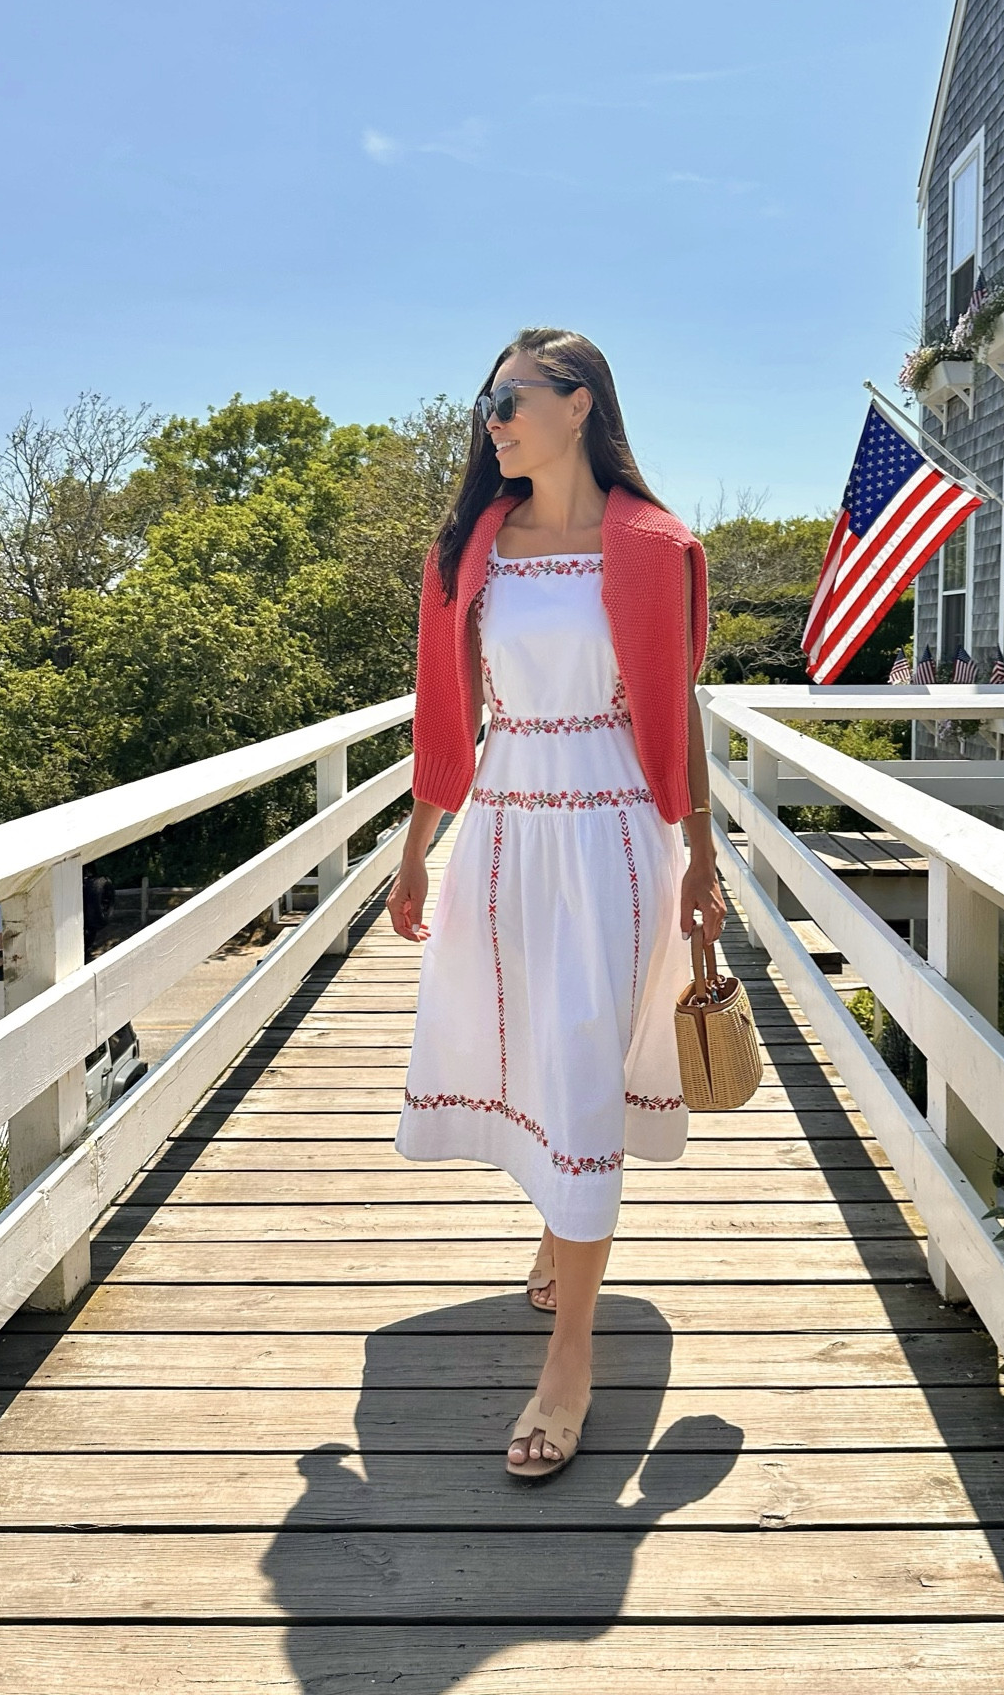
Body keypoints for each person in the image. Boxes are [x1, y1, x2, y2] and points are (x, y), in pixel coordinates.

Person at [385, 327, 727, 1481]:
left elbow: (675, 708)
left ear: (580, 405)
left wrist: (702, 853)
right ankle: (557, 1231)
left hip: (614, 832)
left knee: (584, 1054)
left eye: (509, 398)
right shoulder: (474, 543)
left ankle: (570, 1359)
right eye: (485, 404)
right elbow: (445, 715)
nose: (491, 420)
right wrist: (416, 846)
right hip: (506, 827)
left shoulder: (654, 544)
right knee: (538, 1048)